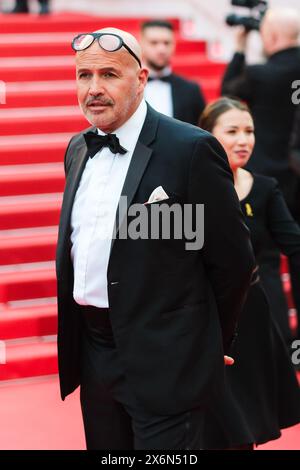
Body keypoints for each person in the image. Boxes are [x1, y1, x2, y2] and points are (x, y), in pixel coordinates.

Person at [55, 28, 255, 450]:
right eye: (83, 75)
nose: (94, 89)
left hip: (169, 359)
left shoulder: (191, 150)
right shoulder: (77, 148)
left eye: (109, 74)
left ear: (141, 79)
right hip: (94, 355)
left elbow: (233, 262)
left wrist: (209, 342)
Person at [200, 97, 300, 450]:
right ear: (208, 137)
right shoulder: (190, 189)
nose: (244, 140)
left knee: (246, 421)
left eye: (249, 131)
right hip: (204, 314)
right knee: (210, 423)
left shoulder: (265, 188)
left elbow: (295, 244)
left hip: (252, 315)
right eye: (232, 131)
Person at [221, 7, 300, 344]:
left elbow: (227, 94)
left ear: (269, 37)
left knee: (266, 266)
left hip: (268, 182)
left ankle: (278, 346)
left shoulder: (260, 75)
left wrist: (240, 48)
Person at [140, 20, 206, 125]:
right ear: (141, 44)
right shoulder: (129, 86)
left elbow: (203, 130)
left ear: (174, 45)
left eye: (166, 43)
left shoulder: (191, 90)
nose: (161, 49)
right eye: (154, 43)